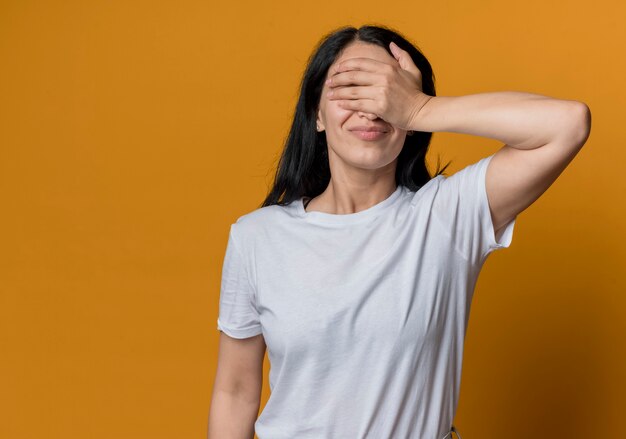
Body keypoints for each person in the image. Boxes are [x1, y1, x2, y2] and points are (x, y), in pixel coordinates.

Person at [207, 24, 591, 439]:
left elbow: (567, 123)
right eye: (352, 88)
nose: (371, 108)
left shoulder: (447, 217)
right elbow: (235, 392)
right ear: (316, 114)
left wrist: (419, 109)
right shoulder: (256, 238)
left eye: (387, 91)